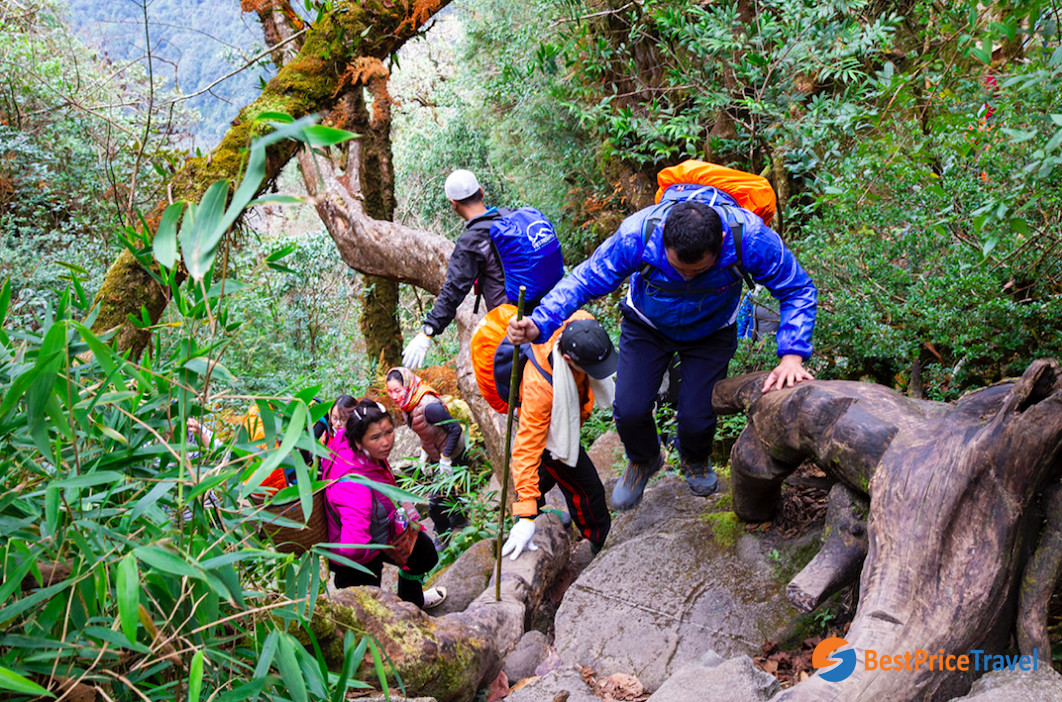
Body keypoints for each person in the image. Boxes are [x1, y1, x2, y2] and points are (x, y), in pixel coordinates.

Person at [508, 194, 817, 511]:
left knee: (698, 417)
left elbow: (797, 288)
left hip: (711, 331)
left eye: (696, 271)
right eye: (678, 267)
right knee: (629, 409)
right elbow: (586, 278)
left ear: (721, 241)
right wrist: (540, 322)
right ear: (665, 233)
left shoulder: (748, 239)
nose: (685, 276)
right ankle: (644, 459)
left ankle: (695, 457)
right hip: (647, 326)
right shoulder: (638, 234)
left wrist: (792, 354)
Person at [402, 169, 560, 369]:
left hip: (512, 324)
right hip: (547, 309)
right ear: (481, 191)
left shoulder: (472, 240)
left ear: (453, 204)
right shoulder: (510, 217)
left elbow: (453, 290)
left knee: (521, 387)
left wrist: (428, 331)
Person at [500, 313, 616, 560]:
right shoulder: (539, 389)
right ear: (567, 358)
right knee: (588, 489)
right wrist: (526, 515)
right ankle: (600, 541)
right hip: (552, 434)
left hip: (563, 423)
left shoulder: (581, 322)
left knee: (545, 474)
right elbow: (527, 448)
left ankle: (529, 510)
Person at [322, 399, 446, 609]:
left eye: (389, 431)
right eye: (376, 437)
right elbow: (353, 548)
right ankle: (403, 615)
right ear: (358, 441)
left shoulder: (355, 447)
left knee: (424, 554)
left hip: (380, 529)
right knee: (368, 611)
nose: (386, 442)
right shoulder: (356, 488)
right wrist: (379, 550)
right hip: (358, 559)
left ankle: (412, 603)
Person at [385, 367, 469, 542]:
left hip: (452, 453)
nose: (393, 396)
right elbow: (428, 431)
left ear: (407, 386)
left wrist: (446, 459)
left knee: (435, 505)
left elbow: (454, 429)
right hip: (437, 454)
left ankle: (442, 536)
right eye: (390, 391)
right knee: (451, 493)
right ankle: (460, 520)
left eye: (397, 390)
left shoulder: (429, 406)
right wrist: (424, 452)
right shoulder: (408, 405)